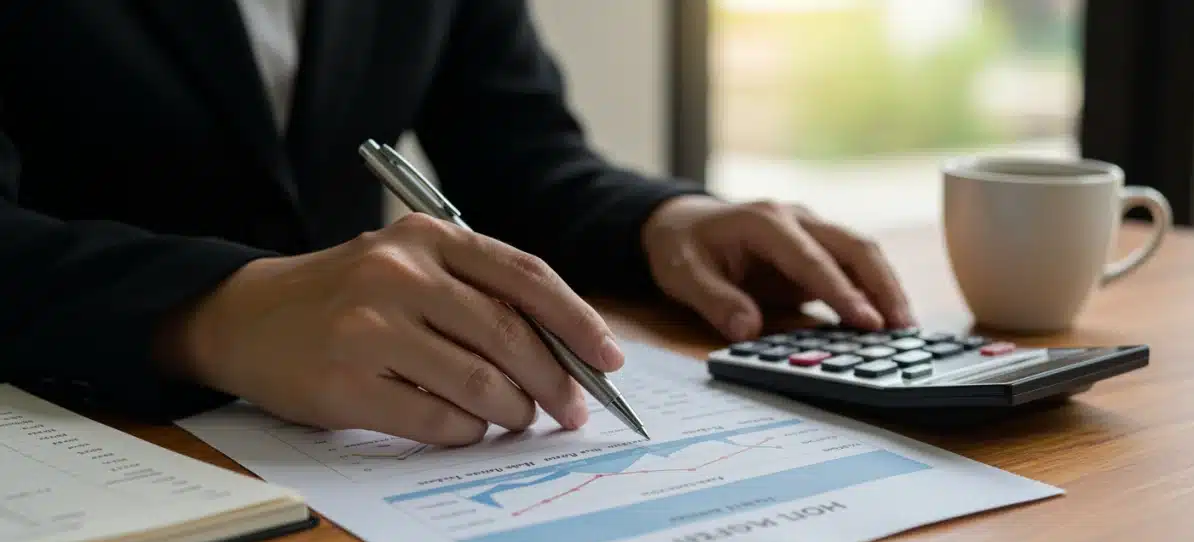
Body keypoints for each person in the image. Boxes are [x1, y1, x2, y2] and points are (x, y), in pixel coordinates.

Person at [0, 1, 913, 446]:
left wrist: (663, 219)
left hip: (348, 487)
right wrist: (210, 310)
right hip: (87, 442)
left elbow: (517, 155)